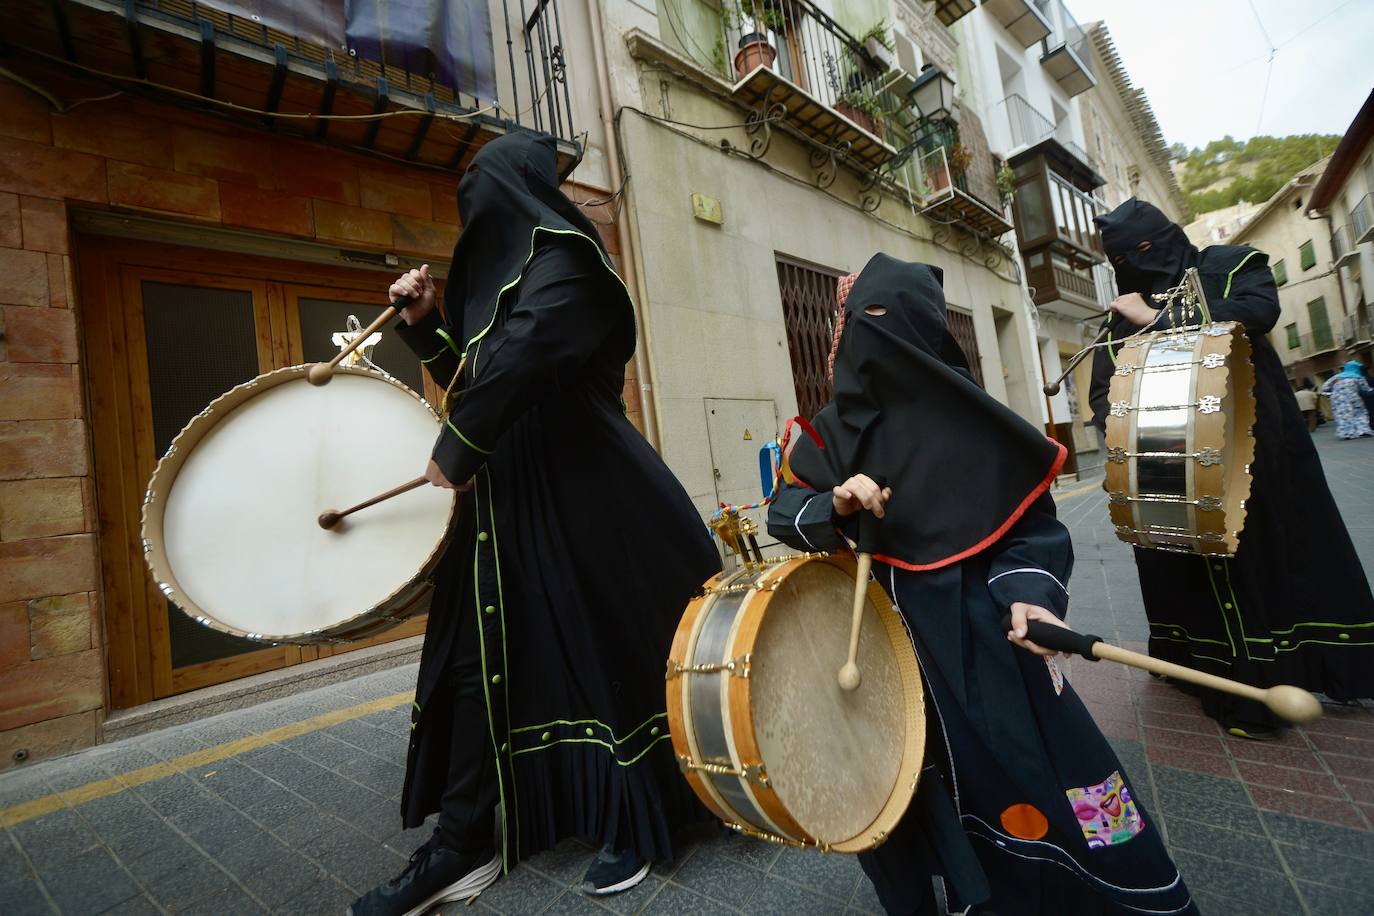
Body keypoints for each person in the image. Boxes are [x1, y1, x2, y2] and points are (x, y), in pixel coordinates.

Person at [347, 131, 720, 916]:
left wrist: (459, 442)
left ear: (515, 191)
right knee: (479, 667)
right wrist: (426, 324)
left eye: (483, 188)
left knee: (606, 655)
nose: (473, 208)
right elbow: (477, 376)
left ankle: (638, 816)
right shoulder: (499, 292)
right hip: (507, 509)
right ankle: (463, 841)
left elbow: (531, 355)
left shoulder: (569, 262)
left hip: (591, 499)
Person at [769, 254, 1197, 916]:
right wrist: (838, 506)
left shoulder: (978, 427)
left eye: (886, 322)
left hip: (982, 641)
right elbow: (784, 514)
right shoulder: (828, 434)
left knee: (1040, 775)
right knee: (892, 789)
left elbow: (1033, 532)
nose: (868, 340)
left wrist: (1030, 595)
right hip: (874, 647)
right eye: (859, 323)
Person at [1088, 198, 1374, 739]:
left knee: (1261, 554)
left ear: (1169, 236)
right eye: (1124, 257)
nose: (1138, 262)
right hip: (1166, 464)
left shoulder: (1230, 266)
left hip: (1254, 446)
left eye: (1146, 249)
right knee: (1188, 568)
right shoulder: (1119, 313)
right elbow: (1106, 384)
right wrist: (1123, 433)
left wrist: (1159, 319)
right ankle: (1211, 673)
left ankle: (1288, 671)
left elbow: (1256, 313)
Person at [1320, 361, 1374, 439]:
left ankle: (1346, 433)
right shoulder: (1358, 377)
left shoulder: (1336, 377)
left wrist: (1333, 391)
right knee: (1360, 413)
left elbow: (1325, 387)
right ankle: (1362, 430)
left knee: (1342, 415)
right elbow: (1366, 389)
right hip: (1353, 397)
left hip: (1337, 399)